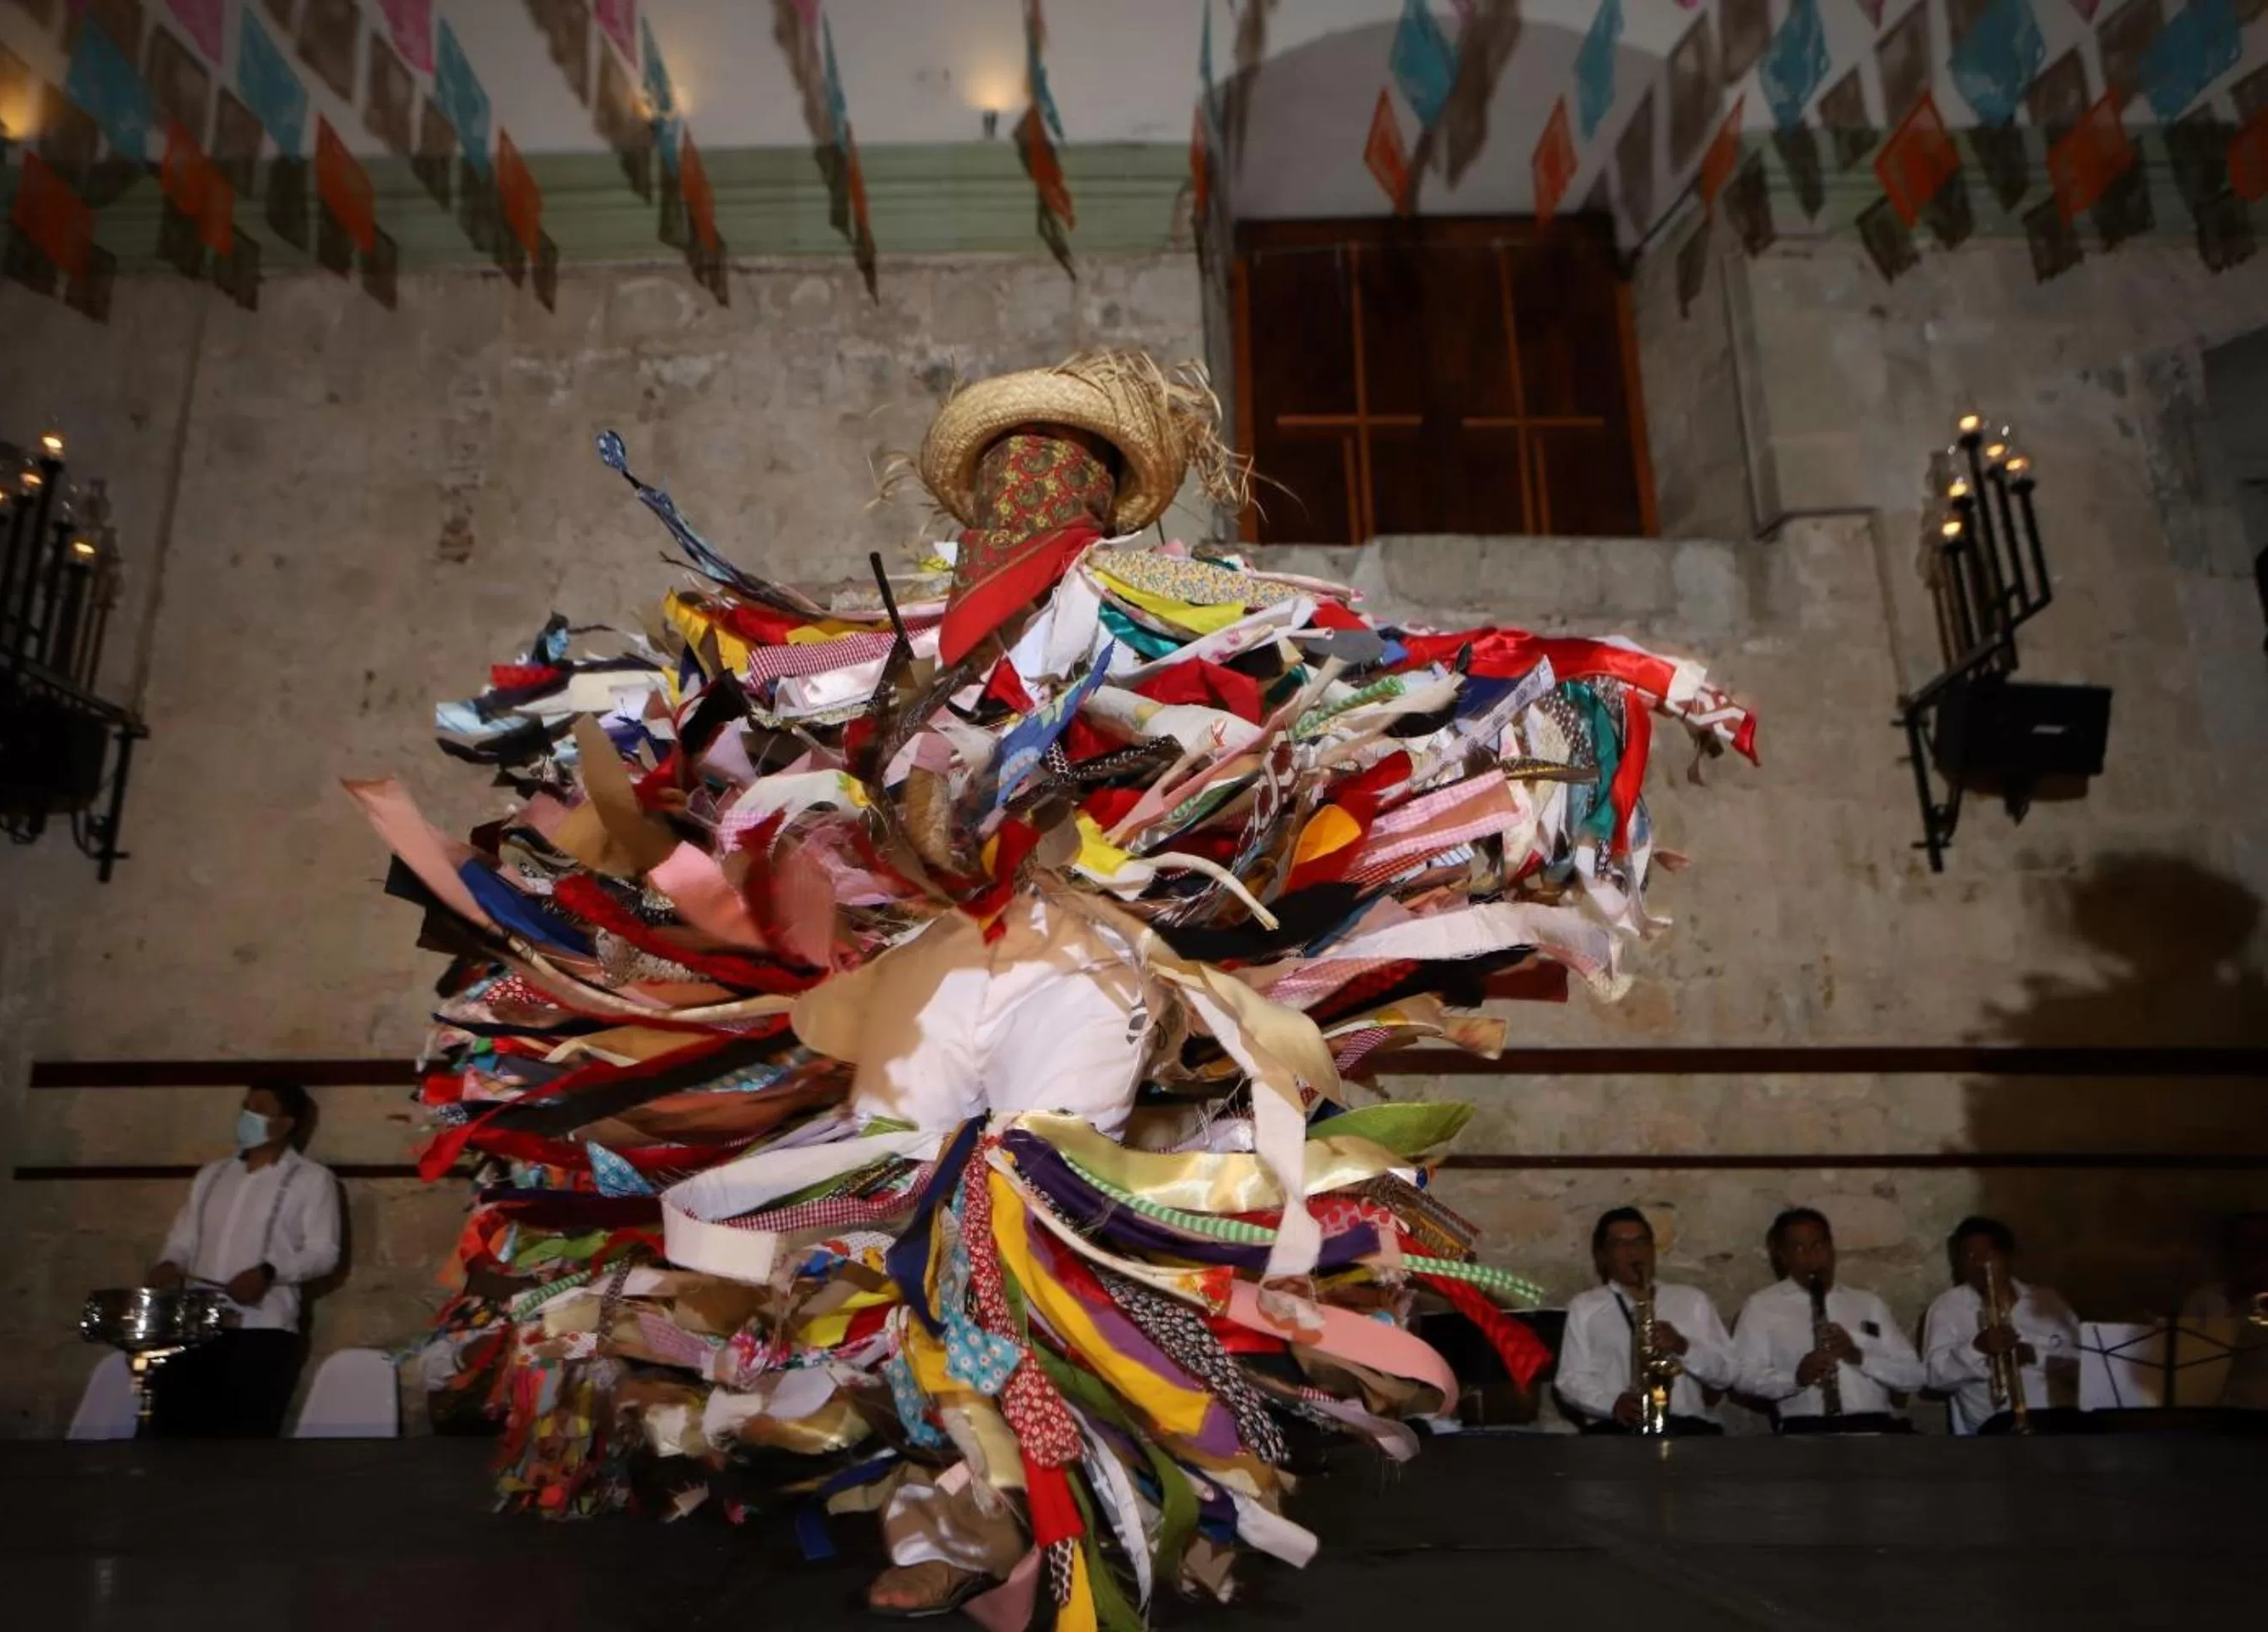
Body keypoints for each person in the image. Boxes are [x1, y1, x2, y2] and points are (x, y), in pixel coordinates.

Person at [350, 351, 1760, 1622]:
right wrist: (617, 726)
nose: (1024, 493)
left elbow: (1384, 667)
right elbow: (736, 719)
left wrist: (1584, 673)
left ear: (1103, 498)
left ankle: (1076, 1507)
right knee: (878, 1203)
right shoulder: (883, 640)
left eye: (1052, 471)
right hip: (927, 954)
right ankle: (945, 1508)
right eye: (1004, 473)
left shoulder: (1174, 608)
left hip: (1092, 948)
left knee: (1039, 1203)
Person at [144, 1083, 341, 1437]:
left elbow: (323, 1253)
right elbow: (182, 1240)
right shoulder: (212, 1175)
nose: (246, 1116)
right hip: (192, 1329)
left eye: (259, 1108)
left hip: (262, 1332)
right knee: (172, 1439)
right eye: (245, 1106)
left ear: (285, 1124)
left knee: (242, 1448)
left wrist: (269, 1273)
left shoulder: (312, 1180)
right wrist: (169, 1263)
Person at [1732, 1207, 1924, 1433]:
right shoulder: (1761, 1306)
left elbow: (1914, 1376)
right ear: (1782, 1256)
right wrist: (1796, 1378)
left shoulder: (1868, 1303)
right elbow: (1742, 1377)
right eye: (1799, 1248)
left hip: (1874, 1429)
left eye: (1818, 1245)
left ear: (1831, 1247)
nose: (1811, 1255)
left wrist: (1859, 1357)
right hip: (1805, 1429)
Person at [1555, 1206, 1734, 1434]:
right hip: (1615, 1430)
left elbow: (1728, 1373)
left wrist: (1683, 1347)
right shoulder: (1584, 1307)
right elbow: (1570, 1380)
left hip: (1686, 1428)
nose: (1633, 1251)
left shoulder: (1692, 1300)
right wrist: (1611, 1404)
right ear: (1602, 1256)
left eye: (1641, 1242)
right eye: (1620, 1244)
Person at [1920, 1216, 2080, 1434]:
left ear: (2007, 1257)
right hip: (1989, 1430)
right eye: (1969, 1256)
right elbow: (1934, 1378)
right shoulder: (1947, 1307)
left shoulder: (2047, 1301)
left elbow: (2086, 1365)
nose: (1978, 1264)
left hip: (2057, 1424)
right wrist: (1976, 1349)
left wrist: (2036, 1355)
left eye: (1987, 1255)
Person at [2180, 1211, 2268, 1409]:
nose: (2255, 1255)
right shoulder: (2203, 1299)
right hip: (2211, 1411)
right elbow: (2190, 1366)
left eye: (2263, 1246)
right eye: (2247, 1246)